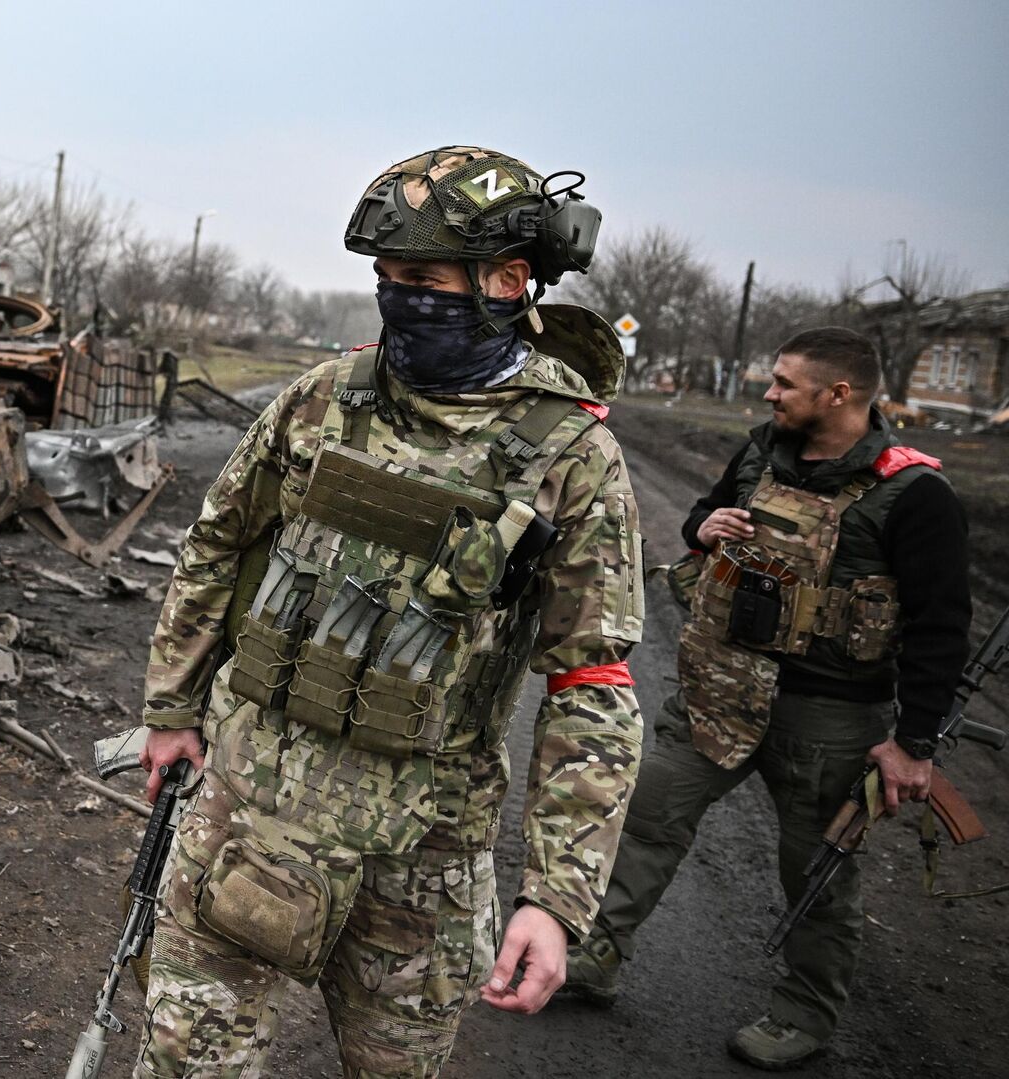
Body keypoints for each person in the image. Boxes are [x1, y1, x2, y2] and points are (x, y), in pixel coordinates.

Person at [132, 146, 646, 1078]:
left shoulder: (572, 455)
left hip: (421, 856)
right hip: (252, 809)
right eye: (386, 277)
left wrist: (557, 897)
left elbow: (592, 683)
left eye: (422, 278)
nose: (398, 297)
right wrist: (171, 709)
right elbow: (217, 542)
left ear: (507, 279)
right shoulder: (324, 398)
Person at [562, 327, 971, 1070]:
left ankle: (804, 1014)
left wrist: (914, 743)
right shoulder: (759, 454)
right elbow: (701, 518)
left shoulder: (913, 494)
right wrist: (704, 525)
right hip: (718, 689)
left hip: (831, 718)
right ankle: (593, 954)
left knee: (815, 872)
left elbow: (943, 625)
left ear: (838, 393)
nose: (770, 392)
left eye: (785, 383)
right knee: (648, 822)